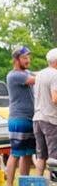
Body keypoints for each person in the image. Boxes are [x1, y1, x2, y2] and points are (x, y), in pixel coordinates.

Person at [7, 46, 38, 186]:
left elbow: (38, 74)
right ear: (16, 60)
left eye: (28, 57)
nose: (28, 60)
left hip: (29, 118)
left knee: (27, 154)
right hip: (18, 119)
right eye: (25, 58)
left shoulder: (25, 72)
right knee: (15, 153)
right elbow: (36, 79)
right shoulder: (15, 75)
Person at [35, 48, 57, 177]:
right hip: (50, 119)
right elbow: (55, 98)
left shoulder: (40, 74)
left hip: (37, 118)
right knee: (54, 157)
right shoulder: (55, 74)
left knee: (41, 156)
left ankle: (39, 185)